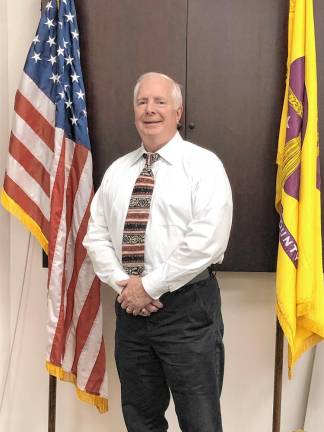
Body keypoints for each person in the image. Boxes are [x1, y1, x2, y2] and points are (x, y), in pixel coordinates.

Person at [83, 72, 233, 432]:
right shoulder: (118, 172)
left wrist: (149, 286)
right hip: (131, 312)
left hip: (188, 310)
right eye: (142, 102)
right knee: (141, 419)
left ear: (178, 112)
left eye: (160, 101)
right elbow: (95, 235)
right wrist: (126, 285)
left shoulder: (203, 166)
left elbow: (207, 239)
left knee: (200, 421)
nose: (150, 110)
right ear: (135, 111)